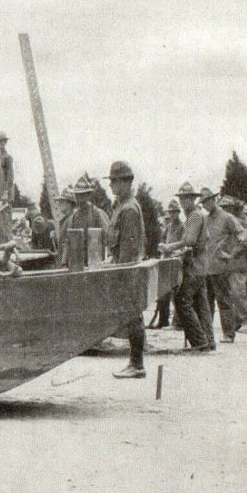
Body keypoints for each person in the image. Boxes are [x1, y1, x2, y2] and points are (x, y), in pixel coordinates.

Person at [104, 161, 147, 379]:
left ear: (127, 183)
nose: (112, 186)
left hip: (128, 270)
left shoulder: (129, 209)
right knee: (132, 315)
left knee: (133, 315)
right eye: (111, 181)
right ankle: (135, 362)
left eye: (116, 182)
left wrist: (119, 269)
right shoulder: (121, 206)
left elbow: (129, 250)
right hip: (122, 267)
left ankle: (137, 364)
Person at [160, 182, 213, 352]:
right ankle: (208, 341)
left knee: (182, 300)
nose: (182, 203)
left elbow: (189, 241)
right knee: (201, 304)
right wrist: (180, 252)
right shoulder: (198, 215)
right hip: (200, 264)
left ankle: (198, 342)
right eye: (181, 199)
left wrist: (170, 248)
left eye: (185, 199)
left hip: (195, 266)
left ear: (192, 199)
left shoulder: (194, 216)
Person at [199, 188, 243, 344]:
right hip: (206, 268)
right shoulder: (204, 219)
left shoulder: (227, 217)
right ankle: (206, 334)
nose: (204, 205)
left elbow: (241, 235)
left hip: (220, 267)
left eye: (205, 201)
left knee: (223, 301)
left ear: (213, 200)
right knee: (206, 303)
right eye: (202, 202)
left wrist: (232, 254)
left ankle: (229, 334)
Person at [221, 196, 247, 332]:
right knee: (233, 293)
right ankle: (238, 320)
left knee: (238, 292)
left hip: (239, 261)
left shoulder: (241, 222)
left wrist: (236, 255)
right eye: (223, 207)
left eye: (227, 207)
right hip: (229, 262)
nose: (224, 210)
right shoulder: (227, 222)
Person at [149, 199, 184, 329]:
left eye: (174, 212)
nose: (172, 215)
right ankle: (163, 320)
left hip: (176, 262)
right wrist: (162, 247)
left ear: (178, 213)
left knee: (177, 294)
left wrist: (171, 250)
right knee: (163, 293)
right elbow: (162, 242)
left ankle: (178, 322)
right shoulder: (168, 227)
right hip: (165, 261)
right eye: (170, 212)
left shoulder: (182, 227)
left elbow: (184, 245)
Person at [69, 175, 110, 265]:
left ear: (88, 195)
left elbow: (109, 238)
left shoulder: (98, 214)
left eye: (82, 195)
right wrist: (64, 262)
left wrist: (108, 259)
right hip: (79, 263)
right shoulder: (74, 217)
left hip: (96, 262)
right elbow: (67, 242)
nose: (79, 198)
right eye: (77, 195)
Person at [0, 131, 15, 244]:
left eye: (2, 142)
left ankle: (8, 244)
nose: (0, 144)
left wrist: (6, 192)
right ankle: (1, 244)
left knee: (5, 222)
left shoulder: (7, 158)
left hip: (4, 197)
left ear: (5, 142)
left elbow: (10, 177)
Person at [53, 187, 77, 266]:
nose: (59, 204)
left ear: (69, 203)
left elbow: (66, 244)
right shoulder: (65, 220)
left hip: (69, 263)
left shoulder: (73, 219)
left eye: (62, 201)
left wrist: (63, 263)